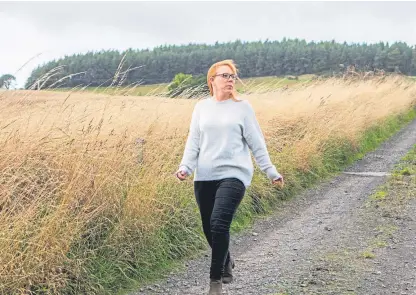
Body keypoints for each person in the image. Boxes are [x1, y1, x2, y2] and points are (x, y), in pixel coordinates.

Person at [175, 59, 284, 295]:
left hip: (235, 174)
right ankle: (226, 260)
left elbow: (257, 143)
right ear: (212, 80)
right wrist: (185, 167)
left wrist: (270, 171)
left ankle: (215, 282)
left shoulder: (243, 108)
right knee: (208, 228)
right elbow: (193, 142)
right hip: (204, 176)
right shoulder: (201, 108)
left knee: (218, 223)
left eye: (233, 76)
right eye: (225, 76)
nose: (230, 80)